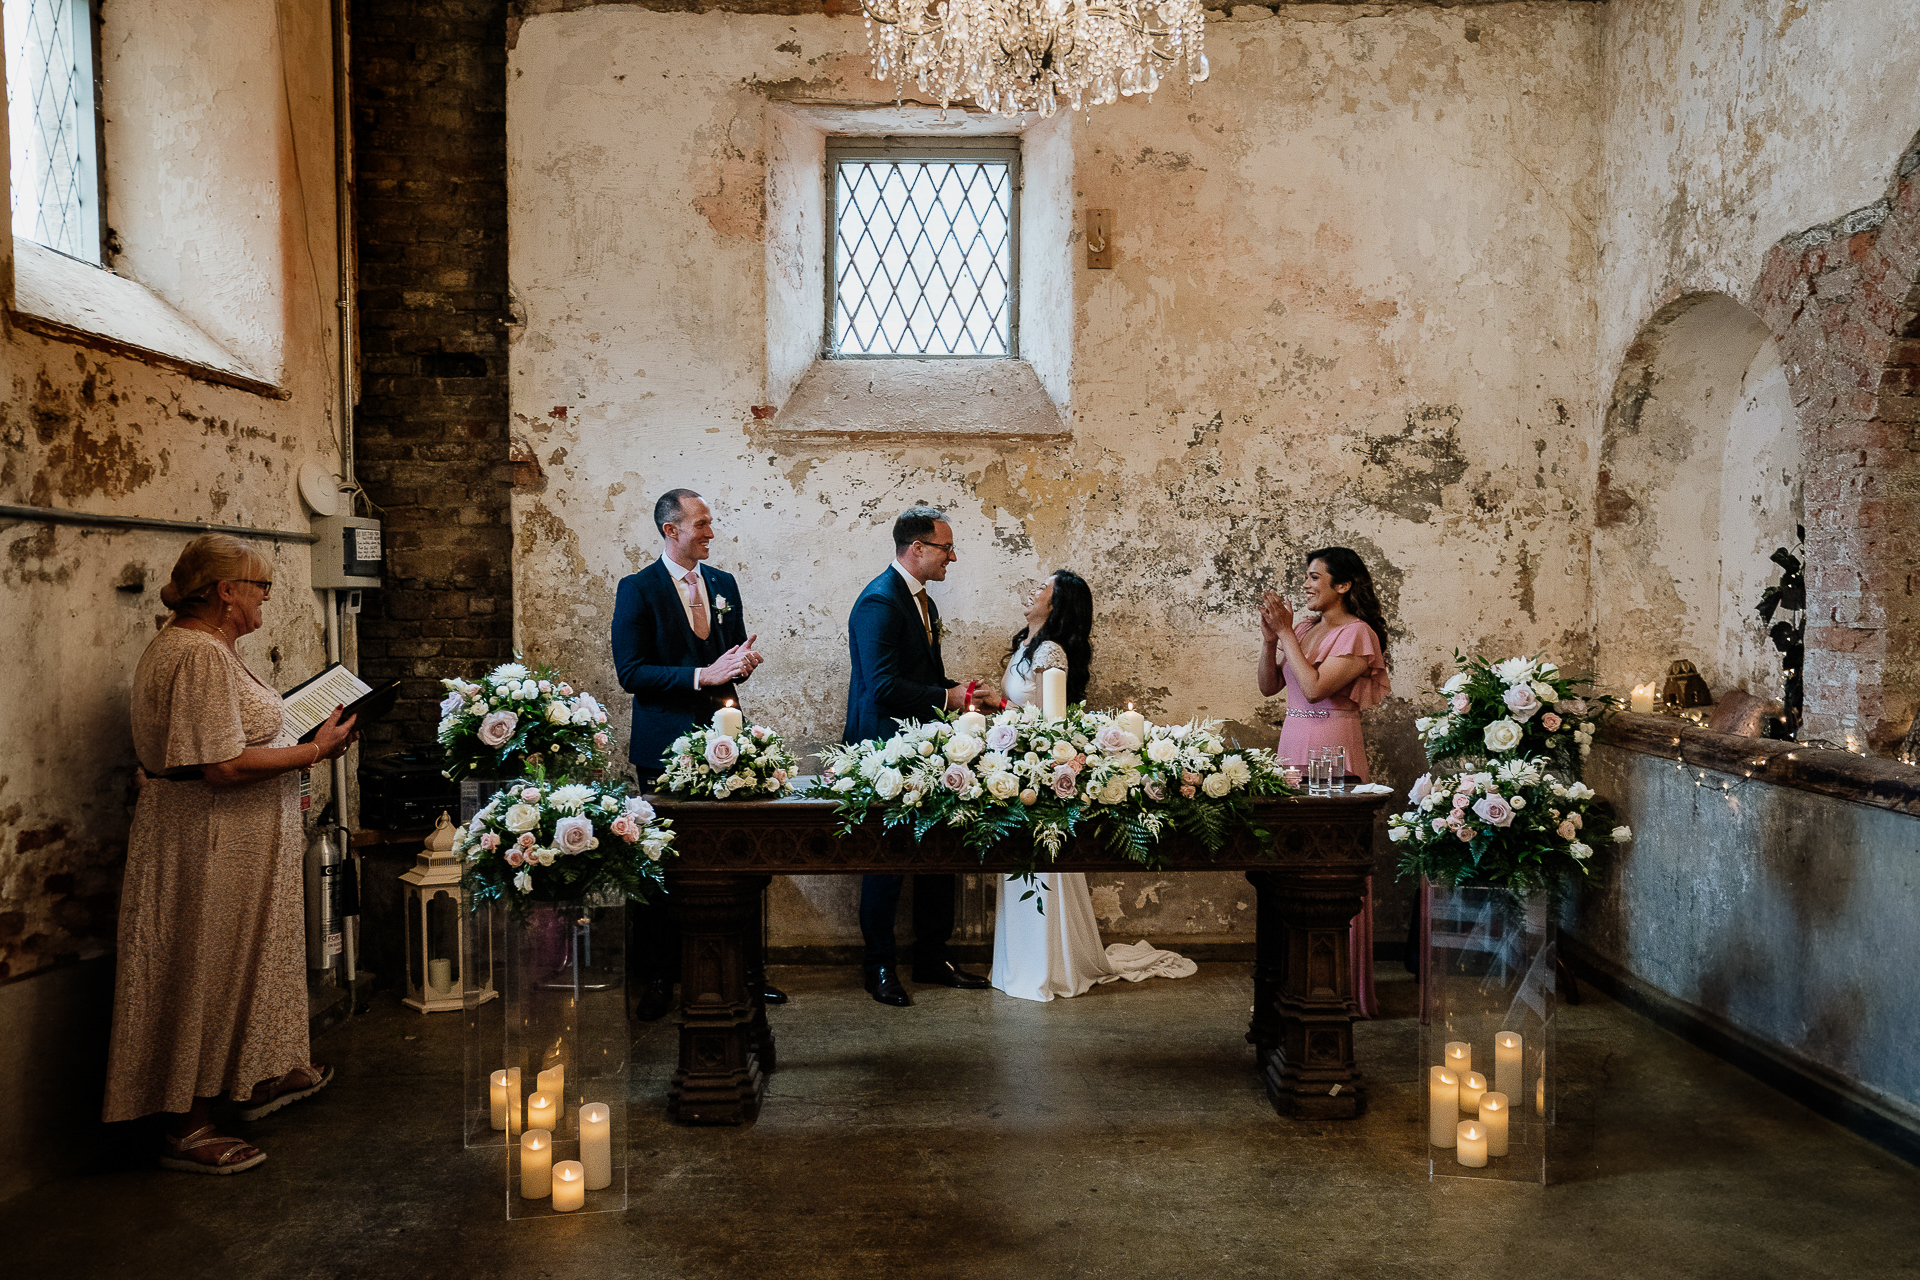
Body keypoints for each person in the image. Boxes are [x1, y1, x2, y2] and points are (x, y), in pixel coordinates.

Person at [104, 534, 357, 1173]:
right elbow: (219, 765)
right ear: (225, 591)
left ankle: (255, 1075)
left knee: (247, 962)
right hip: (205, 844)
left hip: (234, 843)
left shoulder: (211, 650)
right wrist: (314, 750)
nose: (265, 600)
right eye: (260, 588)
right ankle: (187, 1125)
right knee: (203, 967)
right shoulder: (196, 656)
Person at [990, 571, 1196, 1001]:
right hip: (1018, 766)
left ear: (1058, 603)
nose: (1033, 587)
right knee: (1024, 865)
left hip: (1039, 771)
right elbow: (1023, 707)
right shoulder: (1027, 646)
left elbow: (1052, 724)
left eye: (1043, 586)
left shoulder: (1050, 650)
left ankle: (1050, 964)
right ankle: (1027, 961)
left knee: (1040, 863)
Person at [611, 488, 778, 1021]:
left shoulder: (723, 585)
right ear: (671, 531)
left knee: (739, 855)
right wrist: (700, 675)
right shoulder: (638, 589)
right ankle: (661, 975)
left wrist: (738, 664)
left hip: (725, 742)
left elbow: (725, 656)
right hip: (663, 747)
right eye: (701, 524)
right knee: (664, 863)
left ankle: (749, 973)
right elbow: (631, 672)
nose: (710, 532)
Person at [846, 505, 991, 1007]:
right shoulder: (879, 603)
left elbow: (926, 680)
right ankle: (879, 965)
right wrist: (949, 699)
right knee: (885, 863)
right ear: (918, 549)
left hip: (924, 748)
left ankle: (933, 956)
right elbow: (883, 686)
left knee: (938, 854)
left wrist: (969, 692)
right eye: (946, 547)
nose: (953, 555)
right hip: (884, 748)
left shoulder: (924, 603)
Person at [1257, 546, 1392, 1017]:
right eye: (1307, 576)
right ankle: (1291, 977)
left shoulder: (1359, 635)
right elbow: (1270, 687)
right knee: (1290, 861)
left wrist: (1285, 637)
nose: (1308, 584)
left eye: (1316, 577)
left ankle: (1337, 985)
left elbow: (1316, 689)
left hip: (1332, 744)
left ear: (1344, 585)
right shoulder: (1305, 629)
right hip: (1292, 743)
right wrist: (1271, 640)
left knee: (1332, 864)